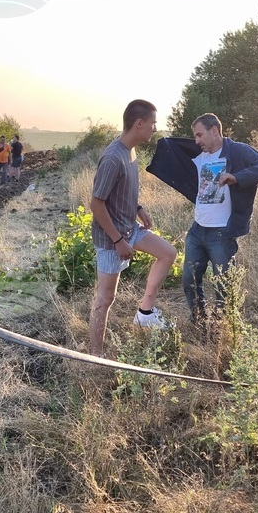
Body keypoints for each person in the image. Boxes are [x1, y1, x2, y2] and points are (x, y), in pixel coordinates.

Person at [146, 112, 258, 324]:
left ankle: (224, 325)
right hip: (197, 230)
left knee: (223, 284)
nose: (196, 141)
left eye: (199, 135)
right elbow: (170, 148)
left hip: (222, 232)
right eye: (194, 137)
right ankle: (199, 321)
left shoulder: (237, 151)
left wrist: (236, 177)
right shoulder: (198, 156)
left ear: (214, 130)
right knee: (189, 280)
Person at [89, 99, 179, 357]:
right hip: (111, 238)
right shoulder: (113, 157)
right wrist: (118, 241)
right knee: (105, 299)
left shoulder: (131, 152)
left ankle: (145, 314)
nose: (154, 129)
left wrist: (138, 208)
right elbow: (96, 204)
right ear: (139, 124)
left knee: (167, 253)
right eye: (152, 124)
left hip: (129, 228)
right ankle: (96, 355)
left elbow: (120, 191)